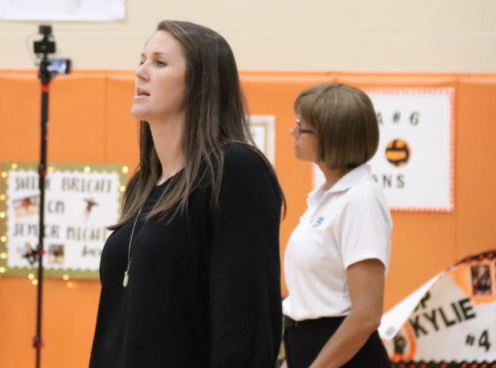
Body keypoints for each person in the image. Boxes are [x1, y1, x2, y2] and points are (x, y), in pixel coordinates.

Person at [89, 20, 284, 368]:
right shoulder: (144, 183)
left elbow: (245, 321)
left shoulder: (235, 170)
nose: (141, 72)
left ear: (200, 85)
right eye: (142, 60)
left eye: (159, 63)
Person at [283, 83, 392, 368]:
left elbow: (366, 315)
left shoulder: (361, 199)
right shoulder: (326, 199)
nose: (292, 133)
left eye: (301, 128)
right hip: (309, 346)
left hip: (344, 356)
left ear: (332, 137)